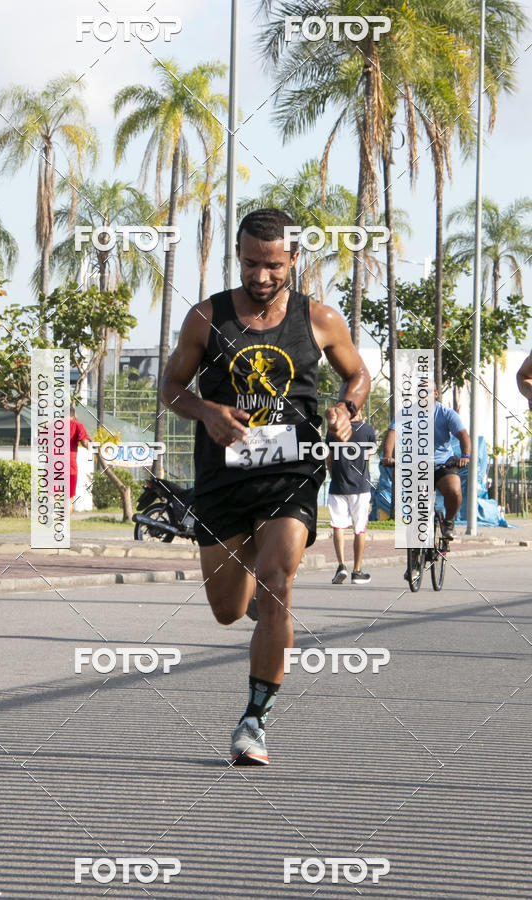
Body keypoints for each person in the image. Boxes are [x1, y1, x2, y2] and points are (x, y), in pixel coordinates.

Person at [160, 207, 370, 766]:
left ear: (294, 258)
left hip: (291, 470)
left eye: (273, 265)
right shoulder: (207, 318)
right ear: (238, 254)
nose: (261, 276)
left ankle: (253, 721)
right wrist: (206, 411)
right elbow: (171, 387)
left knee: (278, 580)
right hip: (223, 475)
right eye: (251, 263)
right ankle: (253, 592)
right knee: (228, 609)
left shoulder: (319, 318)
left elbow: (358, 374)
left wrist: (347, 409)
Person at [382, 384, 471, 540]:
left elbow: (463, 435)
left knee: (454, 491)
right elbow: (393, 433)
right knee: (413, 500)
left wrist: (466, 456)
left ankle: (448, 522)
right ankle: (415, 533)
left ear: (435, 394)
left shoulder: (446, 413)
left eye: (428, 392)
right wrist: (388, 456)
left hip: (442, 464)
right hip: (416, 466)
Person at [326, 405, 376, 585]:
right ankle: (357, 571)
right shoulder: (368, 430)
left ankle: (341, 566)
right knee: (359, 529)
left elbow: (329, 458)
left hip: (338, 485)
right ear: (360, 409)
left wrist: (333, 475)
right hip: (361, 487)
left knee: (338, 527)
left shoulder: (333, 430)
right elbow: (369, 454)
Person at [69, 406, 91, 514]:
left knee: (53, 497)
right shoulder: (78, 425)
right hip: (70, 467)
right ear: (73, 415)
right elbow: (85, 443)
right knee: (68, 499)